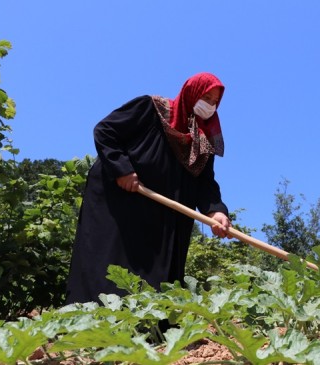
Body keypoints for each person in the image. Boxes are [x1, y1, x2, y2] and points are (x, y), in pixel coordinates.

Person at [65, 72, 232, 305]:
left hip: (164, 219)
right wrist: (122, 169)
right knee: (110, 263)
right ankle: (93, 321)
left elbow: (206, 184)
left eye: (215, 102)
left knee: (158, 275)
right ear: (191, 92)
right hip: (121, 203)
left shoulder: (202, 144)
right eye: (207, 97)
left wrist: (216, 211)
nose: (210, 105)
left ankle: (151, 327)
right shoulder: (151, 109)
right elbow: (105, 131)